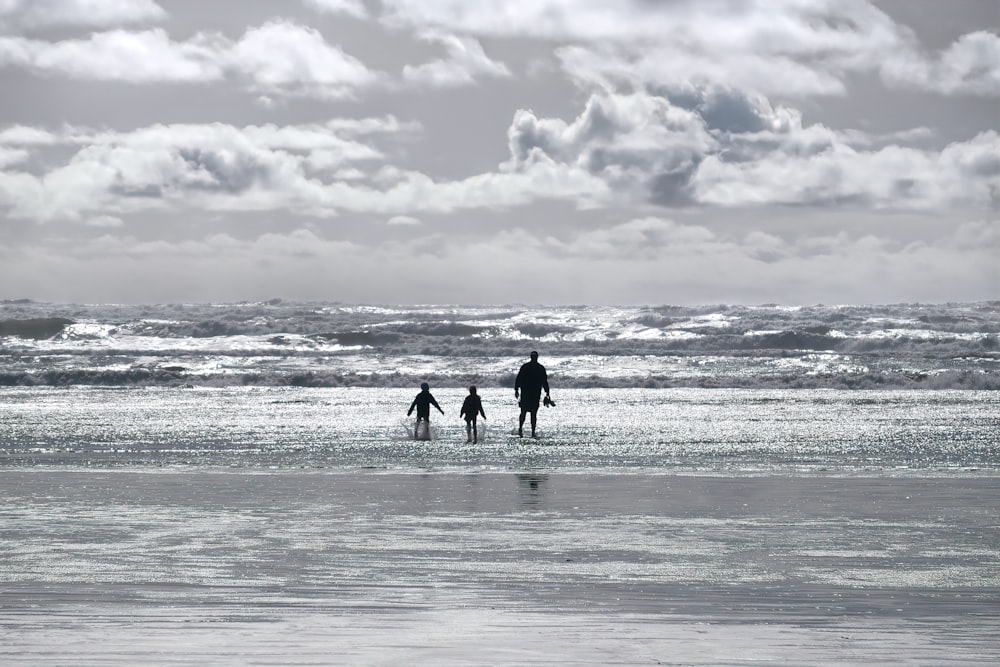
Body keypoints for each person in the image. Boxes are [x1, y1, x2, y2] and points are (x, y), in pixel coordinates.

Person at [514, 350, 550, 438]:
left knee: (527, 412)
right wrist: (547, 392)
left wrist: (547, 393)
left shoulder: (526, 367)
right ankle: (526, 430)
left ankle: (525, 429)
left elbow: (519, 378)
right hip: (532, 393)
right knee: (529, 413)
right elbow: (544, 381)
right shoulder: (539, 368)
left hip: (529, 393)